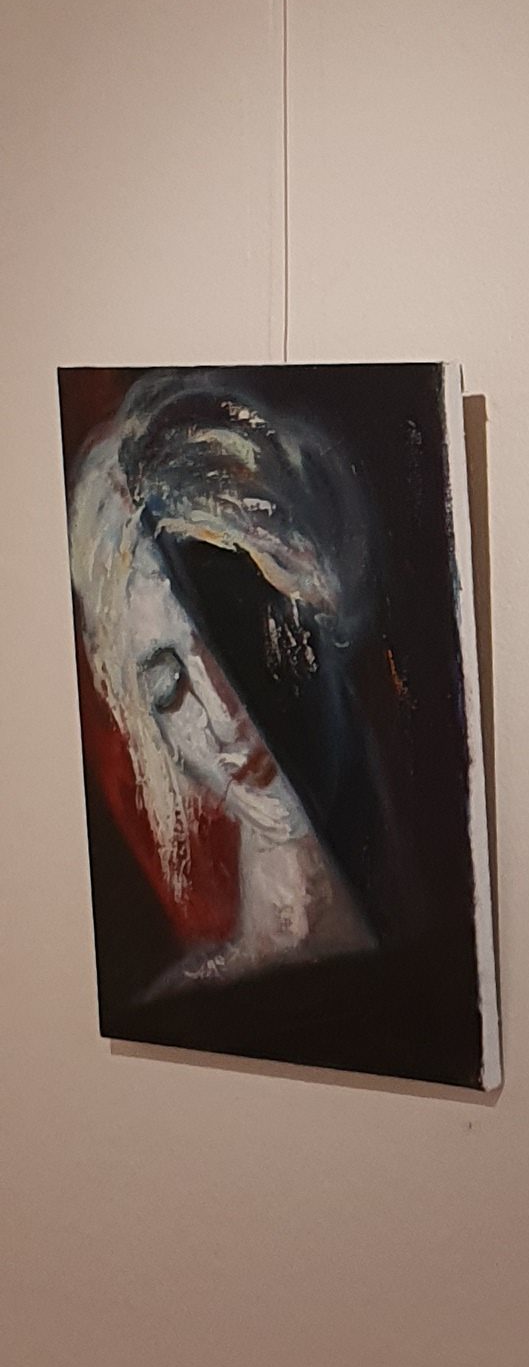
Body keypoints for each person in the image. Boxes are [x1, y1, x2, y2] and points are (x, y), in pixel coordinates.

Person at [67, 376, 376, 995]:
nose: (224, 709)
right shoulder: (191, 1007)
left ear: (315, 595)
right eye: (168, 686)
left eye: (238, 630)